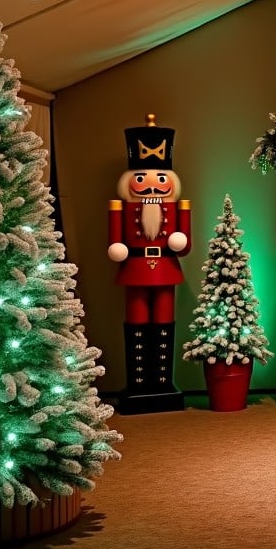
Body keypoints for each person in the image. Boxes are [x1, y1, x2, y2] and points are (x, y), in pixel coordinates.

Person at [108, 113, 191, 414]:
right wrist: (117, 246)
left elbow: (186, 244)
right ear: (131, 180)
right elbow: (114, 238)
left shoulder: (178, 206)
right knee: (138, 321)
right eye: (141, 178)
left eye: (160, 178)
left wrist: (180, 241)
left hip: (166, 269)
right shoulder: (122, 206)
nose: (151, 185)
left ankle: (162, 379)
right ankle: (139, 380)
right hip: (134, 269)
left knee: (165, 322)